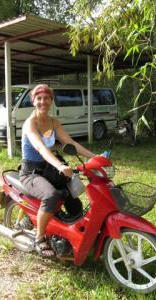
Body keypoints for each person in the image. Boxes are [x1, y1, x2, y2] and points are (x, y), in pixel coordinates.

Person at [19, 84, 96, 257]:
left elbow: (71, 144)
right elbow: (40, 148)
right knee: (51, 195)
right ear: (33, 101)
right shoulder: (30, 123)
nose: (43, 101)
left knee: (72, 193)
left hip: (49, 170)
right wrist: (60, 165)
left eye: (46, 98)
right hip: (31, 172)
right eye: (39, 98)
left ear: (51, 100)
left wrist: (94, 157)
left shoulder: (53, 121)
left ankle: (74, 231)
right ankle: (39, 238)